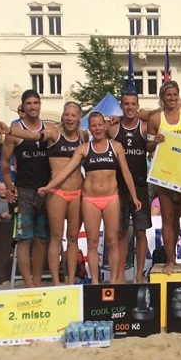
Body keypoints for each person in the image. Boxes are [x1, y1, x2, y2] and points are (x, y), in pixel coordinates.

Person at [39, 112, 141, 284]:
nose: (97, 128)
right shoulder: (83, 148)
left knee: (112, 241)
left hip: (111, 198)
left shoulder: (116, 147)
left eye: (100, 125)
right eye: (93, 126)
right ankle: (94, 281)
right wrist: (49, 187)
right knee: (92, 242)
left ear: (105, 126)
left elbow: (126, 173)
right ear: (90, 128)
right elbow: (66, 170)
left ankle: (114, 281)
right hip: (90, 200)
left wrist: (134, 197)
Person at [0, 102, 86, 285]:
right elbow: (34, 135)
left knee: (73, 238)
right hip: (57, 192)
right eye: (67, 114)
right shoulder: (54, 133)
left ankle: (70, 281)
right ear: (62, 116)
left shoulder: (83, 137)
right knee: (55, 238)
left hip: (77, 192)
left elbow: (103, 130)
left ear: (79, 118)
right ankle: (56, 282)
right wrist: (10, 131)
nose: (70, 118)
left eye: (73, 115)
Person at [147, 80, 181, 273]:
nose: (172, 98)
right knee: (168, 217)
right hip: (164, 173)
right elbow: (148, 147)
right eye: (168, 95)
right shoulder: (155, 119)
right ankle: (171, 260)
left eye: (175, 95)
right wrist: (155, 142)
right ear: (162, 97)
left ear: (178, 96)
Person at [1, 90, 51, 288]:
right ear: (23, 107)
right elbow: (5, 163)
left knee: (41, 239)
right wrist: (9, 187)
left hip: (45, 190)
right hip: (24, 192)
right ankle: (29, 284)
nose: (33, 107)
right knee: (24, 239)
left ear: (40, 105)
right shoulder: (14, 131)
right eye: (29, 103)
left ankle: (37, 281)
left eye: (35, 103)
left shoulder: (48, 128)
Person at [109, 91, 151, 283]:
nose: (130, 107)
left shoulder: (145, 128)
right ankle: (118, 275)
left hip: (140, 186)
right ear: (121, 106)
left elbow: (157, 115)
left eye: (133, 104)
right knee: (121, 233)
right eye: (126, 104)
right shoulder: (113, 129)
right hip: (118, 188)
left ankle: (139, 275)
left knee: (141, 233)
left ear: (138, 106)